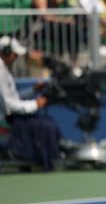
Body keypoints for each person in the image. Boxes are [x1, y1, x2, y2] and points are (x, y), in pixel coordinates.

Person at [0, 36, 61, 171]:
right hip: (7, 119)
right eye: (15, 55)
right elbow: (9, 105)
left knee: (48, 122)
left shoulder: (3, 69)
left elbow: (13, 97)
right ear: (6, 52)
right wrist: (35, 104)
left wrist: (33, 90)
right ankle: (44, 162)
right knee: (47, 126)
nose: (16, 58)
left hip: (13, 116)